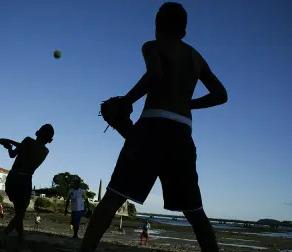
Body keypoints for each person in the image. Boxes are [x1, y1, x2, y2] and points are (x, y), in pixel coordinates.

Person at [79, 2, 228, 252]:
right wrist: (187, 103)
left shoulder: (152, 45)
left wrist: (126, 100)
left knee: (113, 199)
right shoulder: (196, 57)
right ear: (184, 31)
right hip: (182, 133)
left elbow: (156, 74)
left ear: (157, 26)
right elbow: (221, 95)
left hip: (152, 125)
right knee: (195, 212)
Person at [0, 124, 54, 250]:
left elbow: (12, 155)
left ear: (38, 133)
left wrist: (9, 145)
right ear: (49, 140)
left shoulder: (28, 141)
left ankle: (21, 240)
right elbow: (29, 148)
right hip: (25, 181)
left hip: (13, 178)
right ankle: (4, 234)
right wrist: (10, 143)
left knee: (19, 214)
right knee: (20, 214)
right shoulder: (45, 151)